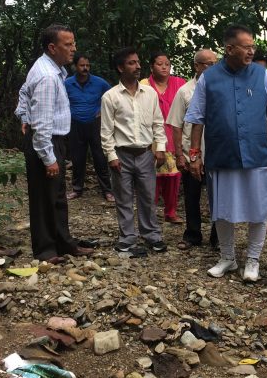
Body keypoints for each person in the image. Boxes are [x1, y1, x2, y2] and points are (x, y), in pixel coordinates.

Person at [185, 25, 267, 282]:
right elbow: (197, 118)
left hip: (258, 153)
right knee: (222, 209)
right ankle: (227, 258)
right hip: (222, 154)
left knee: (259, 209)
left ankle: (253, 259)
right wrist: (194, 153)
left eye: (253, 46)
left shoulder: (262, 75)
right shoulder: (209, 77)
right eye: (246, 46)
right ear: (230, 49)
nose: (252, 51)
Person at [18, 24, 95, 264]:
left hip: (55, 140)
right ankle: (46, 251)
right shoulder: (47, 76)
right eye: (68, 44)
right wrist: (48, 157)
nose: (74, 49)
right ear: (52, 47)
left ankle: (63, 242)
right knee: (44, 197)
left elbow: (23, 93)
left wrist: (22, 114)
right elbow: (41, 123)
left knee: (58, 196)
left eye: (73, 43)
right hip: (46, 141)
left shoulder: (52, 69)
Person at [101, 47, 167, 256]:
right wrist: (111, 156)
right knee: (124, 198)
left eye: (138, 62)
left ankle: (152, 236)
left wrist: (161, 148)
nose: (137, 66)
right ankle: (127, 238)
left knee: (148, 197)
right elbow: (106, 130)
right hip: (122, 154)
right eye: (131, 63)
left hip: (146, 154)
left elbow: (158, 123)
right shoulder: (110, 96)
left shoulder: (150, 94)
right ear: (120, 67)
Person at [166, 49, 219, 250]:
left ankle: (218, 237)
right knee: (192, 197)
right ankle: (192, 235)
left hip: (216, 154)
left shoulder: (221, 89)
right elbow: (176, 125)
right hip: (191, 155)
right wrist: (180, 154)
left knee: (219, 198)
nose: (212, 68)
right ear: (197, 66)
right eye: (208, 64)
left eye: (215, 63)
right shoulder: (186, 91)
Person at [141, 52, 187, 223]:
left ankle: (171, 212)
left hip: (175, 135)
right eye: (160, 64)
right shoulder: (145, 85)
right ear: (152, 67)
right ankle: (150, 213)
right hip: (152, 136)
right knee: (152, 177)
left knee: (173, 177)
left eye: (167, 64)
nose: (164, 67)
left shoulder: (180, 83)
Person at [64, 53, 114, 201]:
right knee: (77, 158)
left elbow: (113, 96)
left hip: (96, 124)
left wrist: (103, 110)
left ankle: (107, 190)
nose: (85, 68)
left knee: (100, 157)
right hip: (75, 124)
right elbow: (60, 101)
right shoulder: (67, 83)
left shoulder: (99, 82)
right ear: (75, 66)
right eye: (82, 65)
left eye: (87, 65)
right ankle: (77, 189)